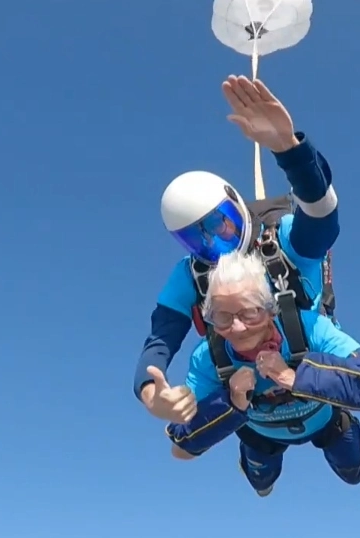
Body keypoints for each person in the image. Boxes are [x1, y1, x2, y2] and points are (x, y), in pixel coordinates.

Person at [155, 251, 360, 498]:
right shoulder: (208, 357)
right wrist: (230, 403)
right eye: (221, 317)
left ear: (271, 310)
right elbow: (181, 450)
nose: (237, 328)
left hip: (324, 420)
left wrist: (295, 377)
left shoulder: (308, 327)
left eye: (250, 312)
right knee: (262, 481)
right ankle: (257, 468)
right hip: (261, 433)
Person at [134, 74, 341, 425]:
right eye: (195, 237)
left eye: (219, 222)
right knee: (255, 450)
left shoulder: (282, 240)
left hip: (309, 376)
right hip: (250, 395)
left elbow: (322, 218)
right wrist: (152, 393)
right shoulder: (192, 273)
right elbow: (160, 338)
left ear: (235, 204)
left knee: (346, 442)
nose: (213, 243)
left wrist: (290, 151)